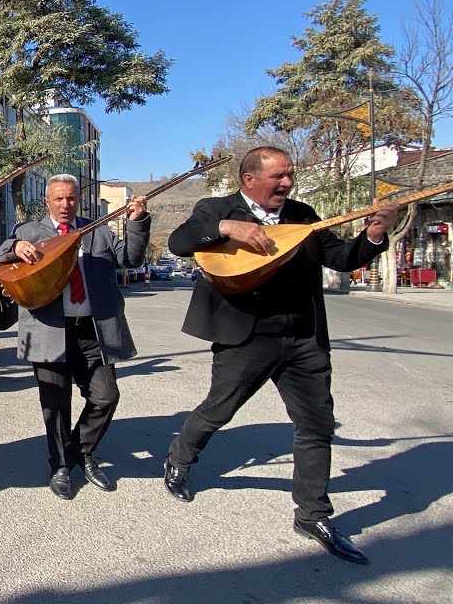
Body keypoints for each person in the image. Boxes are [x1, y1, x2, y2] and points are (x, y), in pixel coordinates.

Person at [162, 146, 397, 565]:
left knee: (316, 425)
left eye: (290, 175)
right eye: (279, 176)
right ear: (250, 178)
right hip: (246, 336)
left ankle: (313, 514)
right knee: (219, 409)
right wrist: (227, 226)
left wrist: (374, 235)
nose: (287, 183)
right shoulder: (216, 207)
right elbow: (181, 241)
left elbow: (341, 257)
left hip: (303, 336)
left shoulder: (303, 215)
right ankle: (180, 456)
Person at [0, 174, 149, 500]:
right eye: (59, 199)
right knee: (55, 404)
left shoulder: (99, 230)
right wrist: (15, 248)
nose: (65, 205)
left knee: (106, 397)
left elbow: (131, 259)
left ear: (78, 200)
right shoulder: (29, 232)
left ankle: (81, 450)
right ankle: (60, 465)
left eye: (71, 199)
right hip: (50, 331)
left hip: (93, 331)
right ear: (47, 200)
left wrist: (137, 222)